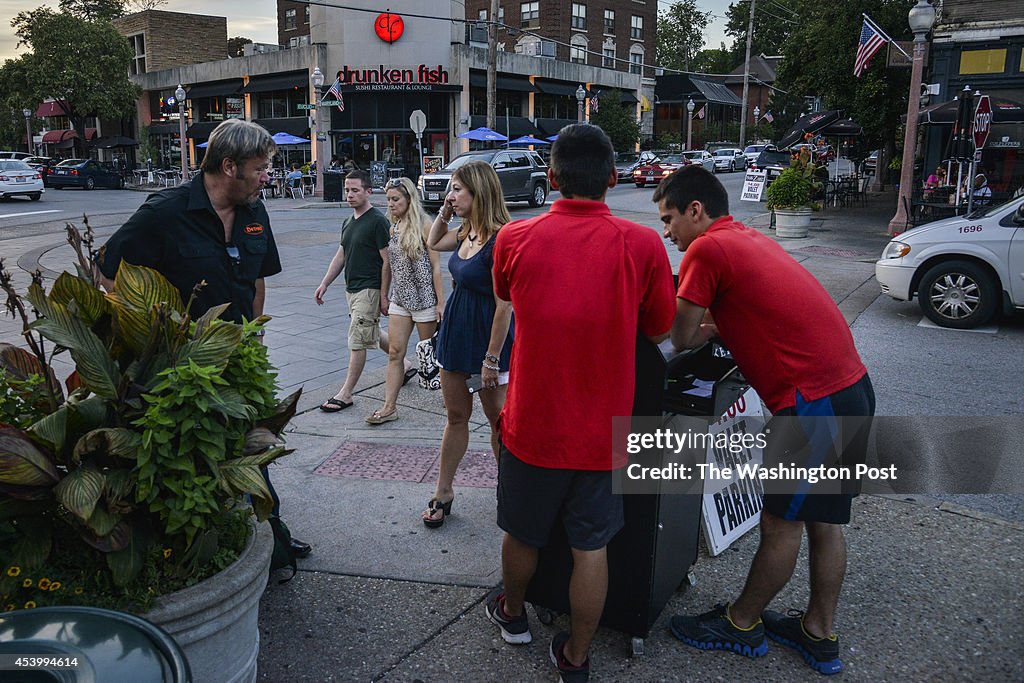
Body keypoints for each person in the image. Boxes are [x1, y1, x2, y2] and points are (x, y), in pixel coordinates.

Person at [657, 166, 874, 675]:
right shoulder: (745, 236)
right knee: (825, 522)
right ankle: (819, 633)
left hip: (812, 404)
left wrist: (693, 328)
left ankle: (741, 624)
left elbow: (680, 336)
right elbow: (748, 311)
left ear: (695, 210)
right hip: (850, 387)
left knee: (781, 523)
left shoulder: (706, 249)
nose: (667, 233)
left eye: (669, 219)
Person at [484, 124, 676, 683]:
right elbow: (660, 326)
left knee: (521, 533)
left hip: (533, 427)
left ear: (551, 178)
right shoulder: (641, 244)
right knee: (593, 547)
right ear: (614, 179)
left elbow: (505, 293)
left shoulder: (516, 239)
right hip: (603, 433)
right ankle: (576, 655)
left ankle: (514, 614)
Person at [97, 118, 312, 559]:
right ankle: (211, 551)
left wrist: (255, 337)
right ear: (229, 166)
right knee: (195, 459)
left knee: (253, 449)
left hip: (239, 359)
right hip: (182, 371)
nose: (267, 176)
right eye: (261, 167)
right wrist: (148, 332)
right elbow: (105, 272)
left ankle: (272, 541)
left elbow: (255, 280)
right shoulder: (165, 212)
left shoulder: (255, 211)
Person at [422, 161, 513, 528]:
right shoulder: (465, 233)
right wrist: (444, 211)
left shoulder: (499, 239)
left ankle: (509, 491)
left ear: (480, 192)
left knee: (497, 422)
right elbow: (432, 241)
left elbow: (504, 304)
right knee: (456, 417)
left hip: (487, 345)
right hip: (457, 339)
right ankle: (443, 491)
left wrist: (491, 359)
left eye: (458, 189)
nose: (451, 195)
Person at [315, 170, 409, 411]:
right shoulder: (348, 221)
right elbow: (342, 254)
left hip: (369, 289)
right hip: (352, 289)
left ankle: (346, 393)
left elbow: (388, 261)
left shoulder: (378, 221)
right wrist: (325, 282)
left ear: (368, 191)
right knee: (370, 331)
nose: (349, 195)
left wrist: (384, 295)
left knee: (358, 340)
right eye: (347, 190)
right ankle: (407, 366)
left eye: (355, 190)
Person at [365, 177, 443, 425]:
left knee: (431, 354)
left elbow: (436, 266)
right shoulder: (393, 227)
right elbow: (388, 265)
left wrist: (441, 303)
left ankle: (452, 398)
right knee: (395, 353)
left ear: (409, 198)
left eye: (395, 199)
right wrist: (384, 294)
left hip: (425, 300)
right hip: (401, 299)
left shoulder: (426, 225)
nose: (390, 204)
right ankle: (389, 407)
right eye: (388, 200)